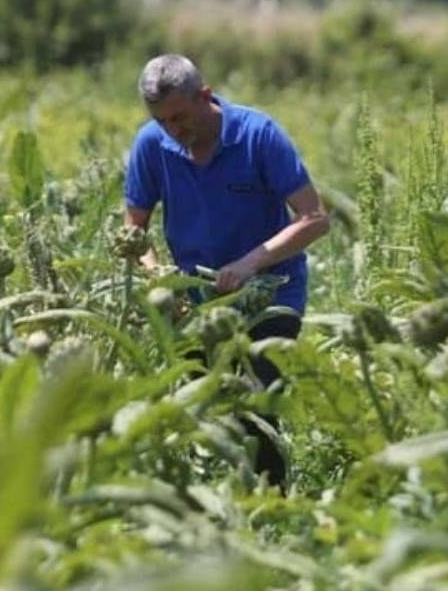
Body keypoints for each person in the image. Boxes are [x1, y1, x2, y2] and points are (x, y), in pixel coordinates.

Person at [124, 54, 330, 485]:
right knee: (195, 408)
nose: (174, 131)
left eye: (179, 117)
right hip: (195, 305)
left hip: (270, 297)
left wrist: (250, 263)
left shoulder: (258, 135)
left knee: (259, 410)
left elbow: (314, 219)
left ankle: (271, 509)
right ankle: (203, 507)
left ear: (206, 96)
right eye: (162, 122)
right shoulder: (151, 145)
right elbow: (134, 230)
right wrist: (160, 278)